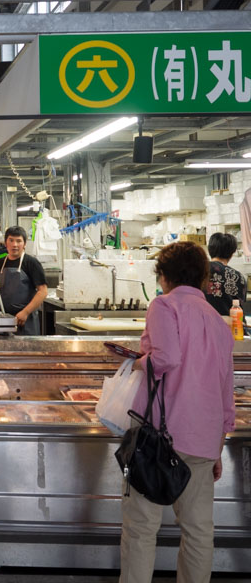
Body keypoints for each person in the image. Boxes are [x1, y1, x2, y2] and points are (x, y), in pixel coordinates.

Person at [119, 241, 235, 583]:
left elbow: (166, 359)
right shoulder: (218, 321)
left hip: (158, 440)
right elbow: (226, 393)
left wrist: (137, 362)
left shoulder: (163, 306)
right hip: (203, 439)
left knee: (141, 529)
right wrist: (217, 447)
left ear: (164, 276)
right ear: (201, 277)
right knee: (199, 532)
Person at [0, 226, 47, 335]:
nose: (14, 244)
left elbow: (43, 291)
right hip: (4, 319)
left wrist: (25, 312)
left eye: (18, 241)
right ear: (6, 243)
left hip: (26, 320)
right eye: (11, 240)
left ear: (24, 244)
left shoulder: (31, 263)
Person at [204, 232, 247, 316]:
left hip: (202, 325)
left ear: (209, 250)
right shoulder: (239, 277)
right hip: (232, 326)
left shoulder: (197, 270)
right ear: (232, 254)